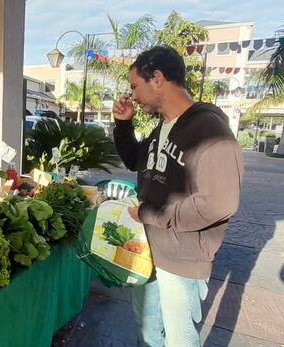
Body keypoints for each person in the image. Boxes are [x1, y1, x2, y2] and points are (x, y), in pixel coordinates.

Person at [112, 46, 243, 346]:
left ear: (156, 78)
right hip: (150, 250)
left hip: (182, 259)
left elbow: (219, 204)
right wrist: (123, 124)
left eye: (135, 86)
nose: (132, 95)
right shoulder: (164, 128)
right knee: (147, 330)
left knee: (179, 340)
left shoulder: (210, 130)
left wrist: (151, 214)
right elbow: (136, 159)